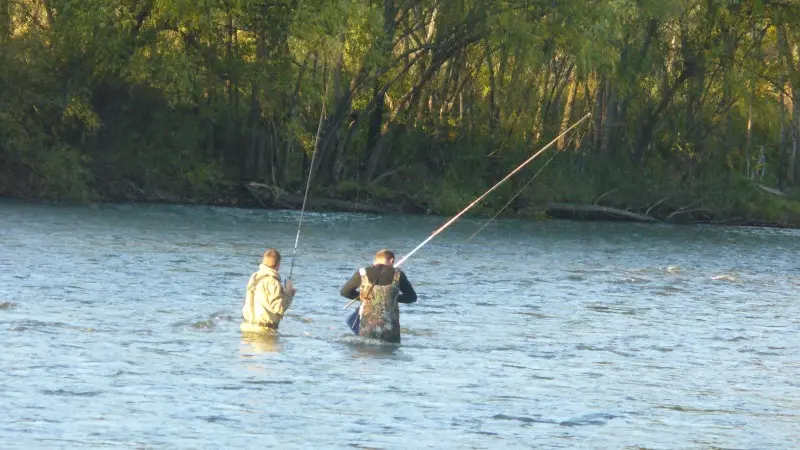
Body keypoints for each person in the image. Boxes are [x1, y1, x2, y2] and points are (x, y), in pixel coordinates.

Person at [340, 249, 416, 343]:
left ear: (375, 260)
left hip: (367, 327)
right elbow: (411, 297)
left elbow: (345, 292)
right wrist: (392, 298)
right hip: (390, 330)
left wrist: (365, 298)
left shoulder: (362, 273)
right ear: (391, 260)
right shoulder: (398, 274)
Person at [241, 248, 296, 333]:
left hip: (247, 328)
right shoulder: (273, 282)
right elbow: (279, 308)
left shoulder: (255, 277)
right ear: (278, 265)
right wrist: (289, 293)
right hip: (263, 332)